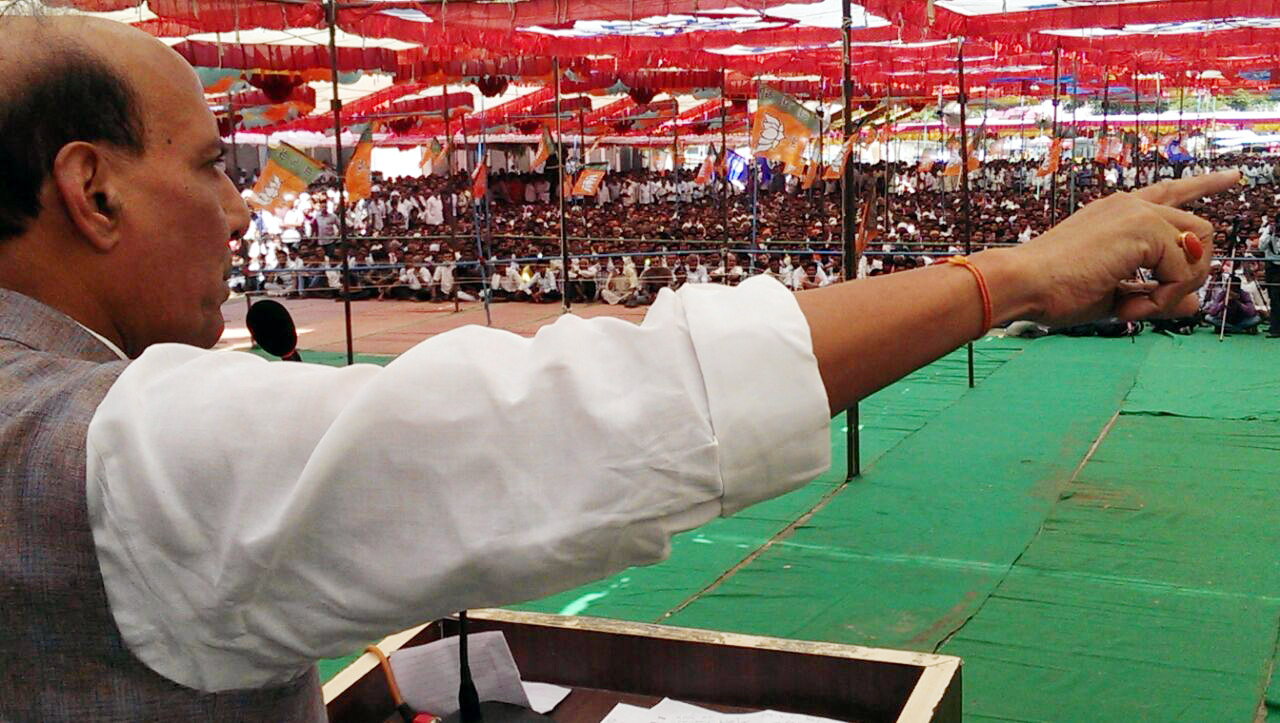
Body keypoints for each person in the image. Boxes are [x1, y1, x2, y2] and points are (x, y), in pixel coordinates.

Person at [0, 14, 1232, 720]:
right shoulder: (93, 446)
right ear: (90, 189)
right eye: (213, 162)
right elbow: (567, 431)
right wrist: (1009, 275)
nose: (236, 207)